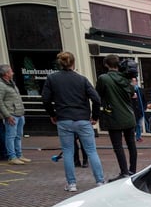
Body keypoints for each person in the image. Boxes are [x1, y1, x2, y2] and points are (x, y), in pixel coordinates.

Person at [41, 51, 106, 191]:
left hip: (64, 119)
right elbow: (96, 99)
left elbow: (45, 99)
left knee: (68, 151)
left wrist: (52, 114)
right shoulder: (82, 79)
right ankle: (100, 181)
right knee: (91, 151)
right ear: (73, 63)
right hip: (82, 118)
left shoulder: (52, 79)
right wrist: (95, 116)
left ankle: (71, 184)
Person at [96, 55, 137, 180]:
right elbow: (132, 93)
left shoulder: (104, 78)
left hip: (114, 117)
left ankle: (124, 172)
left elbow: (98, 95)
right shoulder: (126, 79)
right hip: (129, 117)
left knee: (118, 146)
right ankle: (132, 170)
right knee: (131, 145)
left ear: (106, 65)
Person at [0, 64, 30, 165]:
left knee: (18, 135)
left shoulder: (11, 83)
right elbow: (0, 102)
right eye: (11, 71)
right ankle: (12, 157)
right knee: (11, 136)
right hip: (11, 114)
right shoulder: (1, 85)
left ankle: (19, 155)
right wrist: (7, 115)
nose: (13, 73)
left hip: (19, 113)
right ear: (6, 74)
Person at [131, 76, 146, 142]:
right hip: (132, 111)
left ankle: (138, 137)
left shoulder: (141, 90)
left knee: (139, 125)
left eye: (135, 81)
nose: (134, 82)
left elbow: (144, 100)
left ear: (137, 82)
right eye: (132, 81)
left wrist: (144, 108)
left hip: (140, 111)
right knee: (133, 125)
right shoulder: (129, 91)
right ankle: (131, 137)